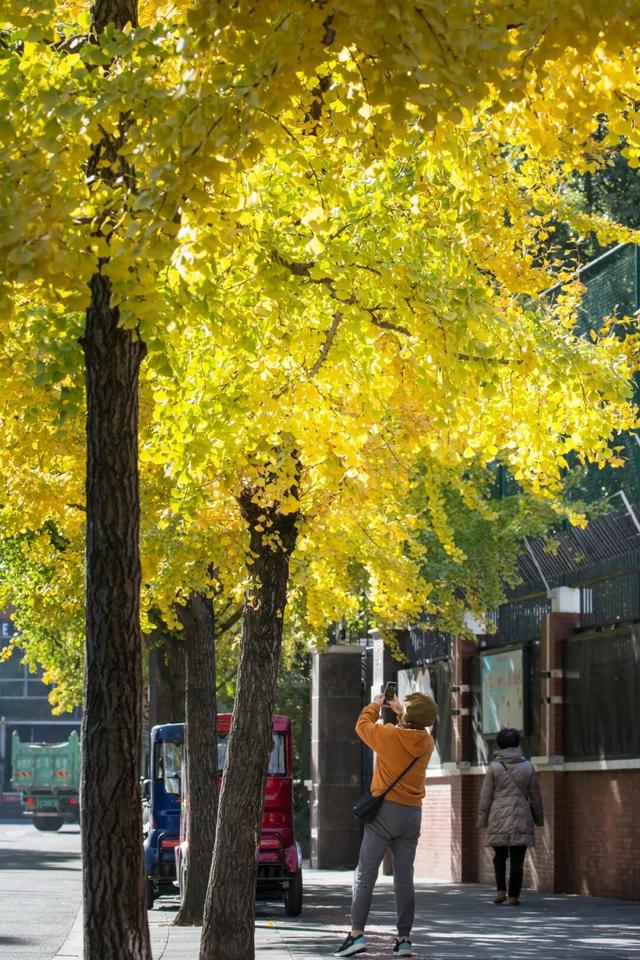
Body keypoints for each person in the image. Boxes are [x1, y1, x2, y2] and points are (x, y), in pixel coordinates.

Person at [334, 690, 437, 958]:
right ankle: (404, 940)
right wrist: (402, 712)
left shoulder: (389, 735)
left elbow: (362, 726)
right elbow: (413, 730)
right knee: (404, 879)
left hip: (385, 813)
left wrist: (375, 705)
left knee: (365, 874)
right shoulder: (427, 742)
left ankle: (356, 934)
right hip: (412, 814)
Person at [477, 727, 544, 906]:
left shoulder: (495, 767)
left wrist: (482, 819)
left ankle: (500, 892)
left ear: (499, 744)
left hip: (498, 814)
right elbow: (535, 795)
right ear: (517, 744)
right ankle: (514, 896)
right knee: (518, 859)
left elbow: (486, 795)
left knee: (499, 856)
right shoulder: (528, 766)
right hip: (521, 813)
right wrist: (539, 818)